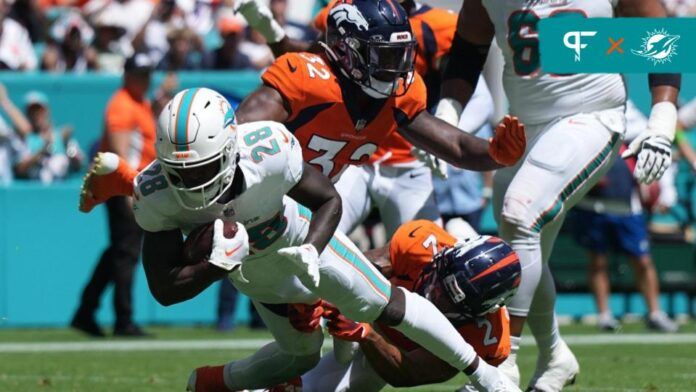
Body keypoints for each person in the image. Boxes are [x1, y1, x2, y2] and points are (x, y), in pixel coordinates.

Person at [89, 86, 521, 392]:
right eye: (178, 171)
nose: (190, 182)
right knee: (301, 355)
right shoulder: (158, 195)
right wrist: (214, 266)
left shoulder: (269, 150)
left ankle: (485, 377)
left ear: (230, 146)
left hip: (297, 239)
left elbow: (328, 199)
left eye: (201, 168)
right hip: (252, 270)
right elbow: (164, 290)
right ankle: (209, 383)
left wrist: (312, 251)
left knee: (385, 304)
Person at [437, 0, 681, 390]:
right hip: (522, 128)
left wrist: (663, 118)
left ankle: (504, 363)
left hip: (592, 115)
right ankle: (554, 357)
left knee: (520, 215)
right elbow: (468, 48)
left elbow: (663, 36)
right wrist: (447, 118)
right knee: (520, 247)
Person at [274, 220, 520, 392]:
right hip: (379, 313)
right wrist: (323, 298)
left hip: (395, 348)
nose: (434, 293)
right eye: (440, 281)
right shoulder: (423, 244)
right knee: (290, 382)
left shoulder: (487, 338)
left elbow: (408, 374)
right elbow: (359, 269)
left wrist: (368, 335)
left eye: (449, 298)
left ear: (477, 313)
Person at [572, 102, 678, 333]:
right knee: (598, 261)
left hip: (628, 208)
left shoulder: (635, 123)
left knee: (642, 261)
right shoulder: (583, 120)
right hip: (592, 206)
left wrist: (661, 192)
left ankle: (655, 313)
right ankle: (604, 315)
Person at [71, 53, 157, 337]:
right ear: (127, 75)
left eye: (147, 75)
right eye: (140, 75)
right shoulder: (122, 105)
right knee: (126, 253)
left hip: (135, 185)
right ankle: (123, 319)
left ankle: (86, 310)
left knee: (118, 253)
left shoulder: (139, 102)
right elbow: (121, 153)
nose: (145, 80)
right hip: (125, 187)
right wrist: (128, 192)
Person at [14, 91, 83, 183]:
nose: (36, 115)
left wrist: (66, 145)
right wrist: (41, 151)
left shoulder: (63, 136)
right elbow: (19, 170)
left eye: (40, 110)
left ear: (47, 111)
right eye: (32, 112)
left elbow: (79, 166)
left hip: (62, 192)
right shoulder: (24, 139)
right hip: (34, 193)